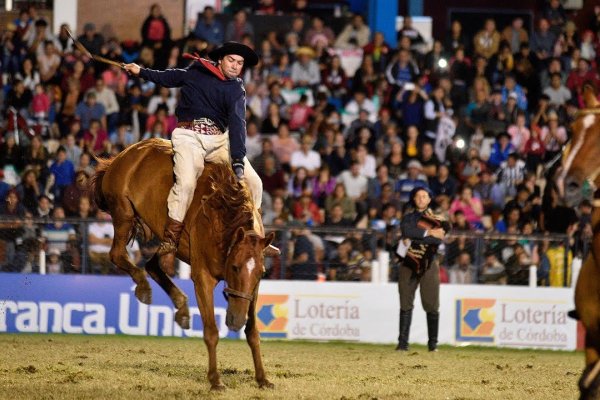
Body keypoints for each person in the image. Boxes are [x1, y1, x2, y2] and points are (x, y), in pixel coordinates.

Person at [124, 41, 279, 273]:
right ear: (221, 59)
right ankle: (169, 242)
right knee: (186, 183)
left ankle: (255, 238)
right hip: (189, 135)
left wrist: (237, 160)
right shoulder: (197, 71)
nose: (236, 66)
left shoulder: (237, 88)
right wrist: (141, 71)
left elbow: (238, 124)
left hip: (219, 139)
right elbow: (171, 77)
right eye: (232, 60)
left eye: (240, 63)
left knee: (255, 183)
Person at [396, 187, 449, 352]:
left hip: (429, 262)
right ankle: (402, 343)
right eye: (418, 196)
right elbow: (407, 231)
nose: (421, 198)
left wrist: (416, 236)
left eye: (424, 196)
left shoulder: (438, 218)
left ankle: (433, 344)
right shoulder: (408, 218)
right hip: (409, 262)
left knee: (431, 303)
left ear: (429, 199)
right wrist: (429, 232)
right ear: (413, 199)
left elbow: (437, 240)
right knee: (405, 300)